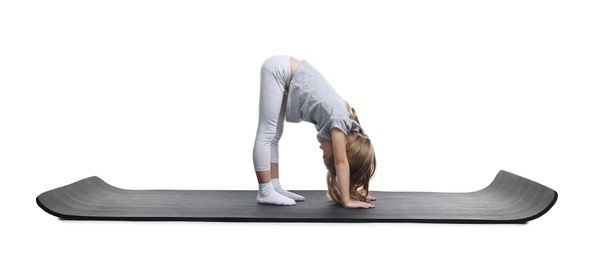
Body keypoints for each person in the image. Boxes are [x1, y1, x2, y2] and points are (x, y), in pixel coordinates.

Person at [252, 55, 377, 209]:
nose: (321, 152)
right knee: (267, 133)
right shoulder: (339, 122)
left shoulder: (344, 122)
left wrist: (355, 193)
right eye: (326, 157)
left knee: (274, 136)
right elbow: (342, 162)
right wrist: (347, 201)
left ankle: (274, 186)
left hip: (283, 70)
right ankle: (265, 190)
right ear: (344, 149)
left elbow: (344, 164)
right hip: (279, 69)